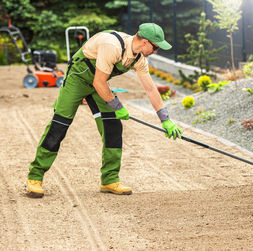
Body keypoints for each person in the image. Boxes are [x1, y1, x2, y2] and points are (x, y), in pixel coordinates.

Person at [26, 23, 182, 198]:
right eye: (155, 47)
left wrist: (165, 119)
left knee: (113, 127)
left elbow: (151, 90)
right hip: (78, 77)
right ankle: (35, 176)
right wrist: (117, 106)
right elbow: (99, 82)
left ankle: (109, 179)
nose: (156, 52)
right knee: (59, 126)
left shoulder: (138, 59)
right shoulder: (112, 46)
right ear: (145, 42)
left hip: (99, 82)